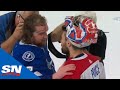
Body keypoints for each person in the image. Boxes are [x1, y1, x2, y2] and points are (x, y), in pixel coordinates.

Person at [12, 14, 76, 79]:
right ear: (29, 34)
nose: (45, 36)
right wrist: (54, 77)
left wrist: (69, 22)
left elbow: (54, 35)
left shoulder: (38, 41)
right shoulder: (21, 54)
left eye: (45, 32)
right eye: (41, 33)